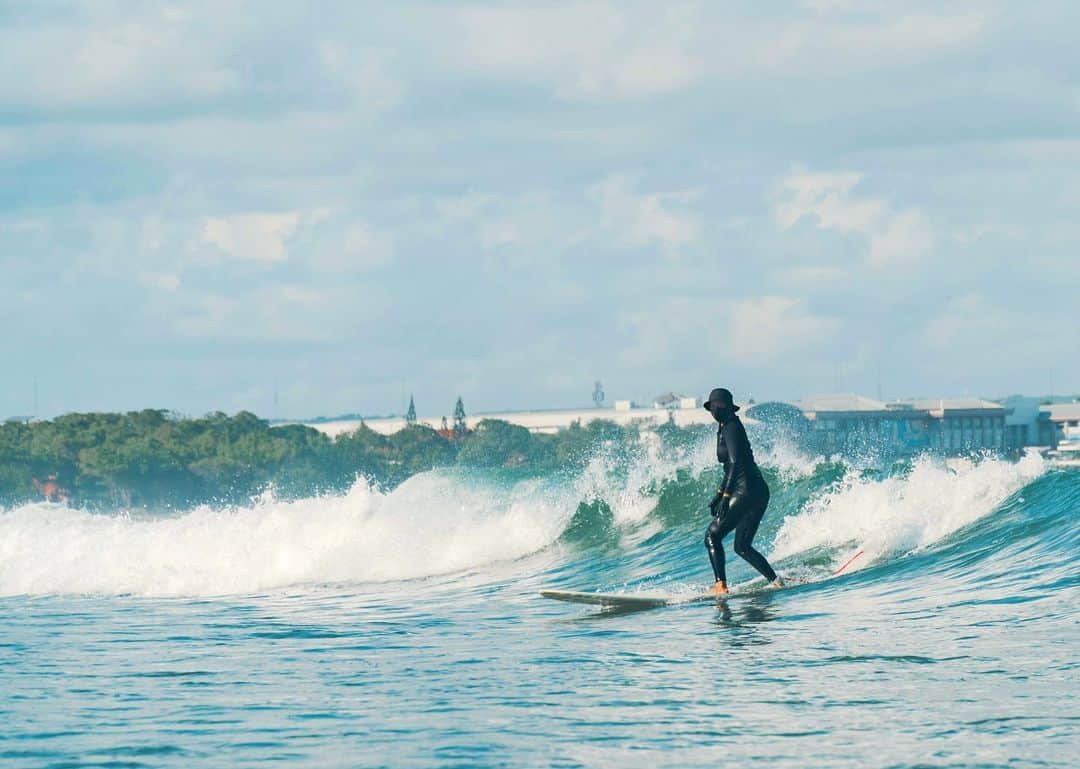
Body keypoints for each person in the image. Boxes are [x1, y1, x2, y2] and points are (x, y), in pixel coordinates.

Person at [702, 388, 783, 595]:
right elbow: (730, 467)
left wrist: (727, 496)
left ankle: (720, 585)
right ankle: (776, 581)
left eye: (717, 406)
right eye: (712, 406)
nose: (714, 410)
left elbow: (736, 463)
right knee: (742, 546)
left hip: (745, 490)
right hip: (756, 490)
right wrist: (719, 494)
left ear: (727, 406)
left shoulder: (730, 426)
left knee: (712, 536)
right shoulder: (726, 426)